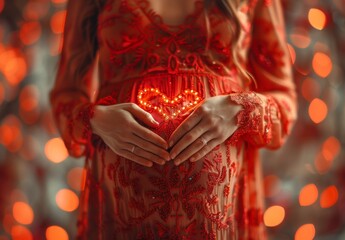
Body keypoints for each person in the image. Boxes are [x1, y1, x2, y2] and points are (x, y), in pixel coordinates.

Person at [50, 0, 297, 239]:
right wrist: (96, 119)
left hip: (218, 217)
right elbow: (65, 98)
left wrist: (242, 109)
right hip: (123, 210)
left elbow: (284, 103)